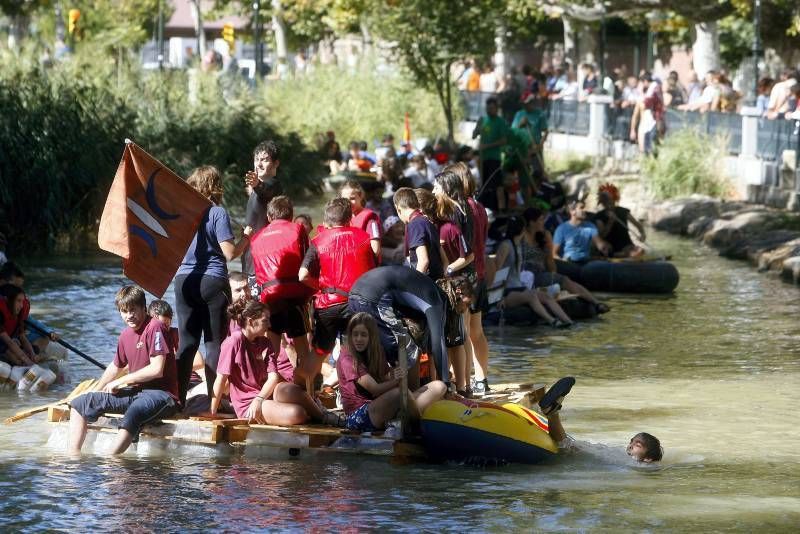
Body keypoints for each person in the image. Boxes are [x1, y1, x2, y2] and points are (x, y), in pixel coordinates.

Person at [68, 286, 179, 455]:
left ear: (143, 307)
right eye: (124, 311)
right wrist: (97, 391)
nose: (129, 316)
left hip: (162, 395)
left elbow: (157, 369)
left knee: (133, 412)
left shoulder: (155, 327)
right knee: (81, 403)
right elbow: (115, 368)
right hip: (136, 392)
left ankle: (111, 460)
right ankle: (73, 457)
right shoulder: (125, 335)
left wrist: (122, 381)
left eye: (133, 310)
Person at [175, 165, 252, 405]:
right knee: (213, 343)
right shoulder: (218, 212)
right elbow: (230, 253)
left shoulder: (183, 213)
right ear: (215, 186)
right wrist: (246, 238)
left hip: (184, 281)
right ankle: (214, 402)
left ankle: (176, 401)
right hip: (212, 280)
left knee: (187, 343)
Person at [210, 299, 342, 426]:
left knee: (292, 390)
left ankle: (324, 417)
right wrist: (213, 412)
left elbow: (273, 377)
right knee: (297, 413)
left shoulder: (265, 342)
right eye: (265, 320)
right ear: (251, 322)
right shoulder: (234, 341)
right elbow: (221, 379)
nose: (269, 325)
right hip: (248, 404)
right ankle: (310, 413)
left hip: (264, 395)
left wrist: (260, 398)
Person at [298, 197, 376, 374]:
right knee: (356, 351)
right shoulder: (364, 238)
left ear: (326, 220)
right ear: (350, 219)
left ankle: (304, 391)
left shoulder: (318, 241)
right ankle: (354, 394)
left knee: (319, 352)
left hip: (328, 305)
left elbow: (302, 275)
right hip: (357, 304)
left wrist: (319, 287)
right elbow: (372, 274)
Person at [336, 313, 447, 433]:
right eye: (355, 334)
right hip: (359, 416)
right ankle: (417, 426)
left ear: (371, 336)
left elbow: (384, 378)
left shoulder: (377, 351)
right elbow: (375, 389)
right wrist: (396, 380)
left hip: (384, 407)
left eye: (363, 335)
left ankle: (400, 421)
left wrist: (395, 372)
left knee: (439, 386)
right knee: (400, 393)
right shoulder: (347, 357)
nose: (358, 339)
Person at [248, 196, 315, 392]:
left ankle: (263, 391)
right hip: (294, 295)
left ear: (269, 216)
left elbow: (258, 273)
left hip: (269, 297)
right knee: (302, 346)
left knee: (272, 349)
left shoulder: (257, 237)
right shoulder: (298, 229)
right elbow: (308, 259)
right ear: (291, 214)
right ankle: (308, 391)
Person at [348, 266, 451, 387]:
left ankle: (378, 391)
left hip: (353, 294)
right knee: (408, 351)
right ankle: (414, 396)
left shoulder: (420, 287)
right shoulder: (437, 300)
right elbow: (438, 344)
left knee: (378, 349)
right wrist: (446, 383)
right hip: (373, 298)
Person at [520, 207, 609, 314]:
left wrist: (554, 279)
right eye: (541, 220)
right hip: (525, 275)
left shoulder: (545, 235)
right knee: (564, 281)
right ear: (531, 222)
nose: (543, 222)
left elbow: (549, 260)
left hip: (541, 274)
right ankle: (595, 303)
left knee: (564, 280)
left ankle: (596, 303)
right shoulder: (521, 235)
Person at [495, 217, 573, 327]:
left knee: (546, 297)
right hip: (507, 292)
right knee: (531, 296)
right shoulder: (506, 245)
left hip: (519, 288)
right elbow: (498, 271)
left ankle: (569, 322)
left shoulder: (518, 246)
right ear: (522, 230)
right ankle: (553, 321)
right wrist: (498, 297)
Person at [242, 141, 283, 285]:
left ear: (276, 163)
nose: (259, 164)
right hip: (250, 257)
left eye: (264, 160)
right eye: (256, 159)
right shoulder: (257, 188)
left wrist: (257, 185)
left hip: (261, 260)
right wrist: (254, 187)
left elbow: (266, 191)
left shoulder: (274, 185)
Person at [394, 188, 445, 280]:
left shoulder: (415, 224)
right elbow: (443, 257)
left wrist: (415, 284)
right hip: (436, 281)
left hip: (427, 284)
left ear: (398, 209)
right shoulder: (427, 221)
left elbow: (423, 261)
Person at [472, 97, 509, 212]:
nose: (489, 110)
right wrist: (477, 127)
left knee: (497, 184)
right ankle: (485, 208)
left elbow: (503, 140)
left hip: (494, 157)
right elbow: (474, 136)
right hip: (483, 158)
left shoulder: (501, 122)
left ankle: (501, 209)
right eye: (488, 108)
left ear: (496, 108)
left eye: (492, 108)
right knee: (484, 183)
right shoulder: (483, 120)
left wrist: (487, 146)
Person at [594, 183, 646, 258]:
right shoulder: (599, 216)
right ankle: (617, 255)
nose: (609, 204)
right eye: (606, 202)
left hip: (627, 245)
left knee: (640, 250)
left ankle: (626, 255)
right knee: (632, 253)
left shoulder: (623, 211)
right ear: (602, 202)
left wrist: (642, 234)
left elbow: (638, 225)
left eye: (611, 200)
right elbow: (602, 236)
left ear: (615, 199)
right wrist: (610, 222)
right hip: (611, 247)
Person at [339, 180, 382, 258]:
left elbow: (375, 249)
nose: (348, 203)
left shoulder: (370, 218)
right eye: (345, 200)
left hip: (366, 264)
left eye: (352, 198)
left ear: (361, 196)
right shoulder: (342, 219)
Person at [0, 284, 36, 366]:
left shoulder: (18, 314)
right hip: (4, 344)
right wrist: (28, 362)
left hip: (6, 342)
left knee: (16, 344)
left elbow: (22, 337)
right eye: (18, 301)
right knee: (9, 351)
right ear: (8, 300)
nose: (21, 306)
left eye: (22, 301)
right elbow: (8, 342)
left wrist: (32, 353)